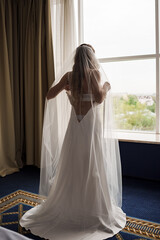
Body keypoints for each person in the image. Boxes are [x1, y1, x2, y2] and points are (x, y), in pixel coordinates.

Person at [20, 44, 126, 240]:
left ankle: (68, 203)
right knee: (91, 163)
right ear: (91, 57)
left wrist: (66, 89)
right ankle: (92, 208)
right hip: (90, 125)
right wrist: (107, 86)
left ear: (76, 57)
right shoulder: (94, 73)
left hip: (74, 125)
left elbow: (49, 95)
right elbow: (99, 98)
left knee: (72, 162)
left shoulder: (69, 76)